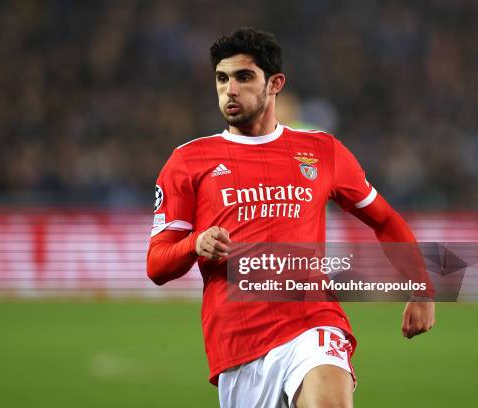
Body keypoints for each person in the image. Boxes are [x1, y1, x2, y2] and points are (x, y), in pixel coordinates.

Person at [146, 28, 435, 408]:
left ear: (275, 83)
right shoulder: (188, 161)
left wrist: (422, 287)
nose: (230, 90)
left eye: (244, 77)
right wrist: (194, 244)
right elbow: (157, 264)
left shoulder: (321, 151)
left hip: (313, 320)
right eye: (222, 78)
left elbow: (384, 220)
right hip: (237, 344)